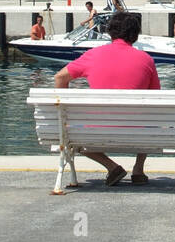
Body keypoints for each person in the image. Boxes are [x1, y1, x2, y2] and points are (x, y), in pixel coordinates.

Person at [54, 11, 159, 186]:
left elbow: (59, 77)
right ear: (135, 34)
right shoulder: (146, 60)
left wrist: (65, 111)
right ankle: (138, 169)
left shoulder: (93, 55)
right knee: (150, 119)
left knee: (70, 131)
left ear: (110, 31)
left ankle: (111, 166)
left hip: (97, 129)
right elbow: (156, 99)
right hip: (139, 132)